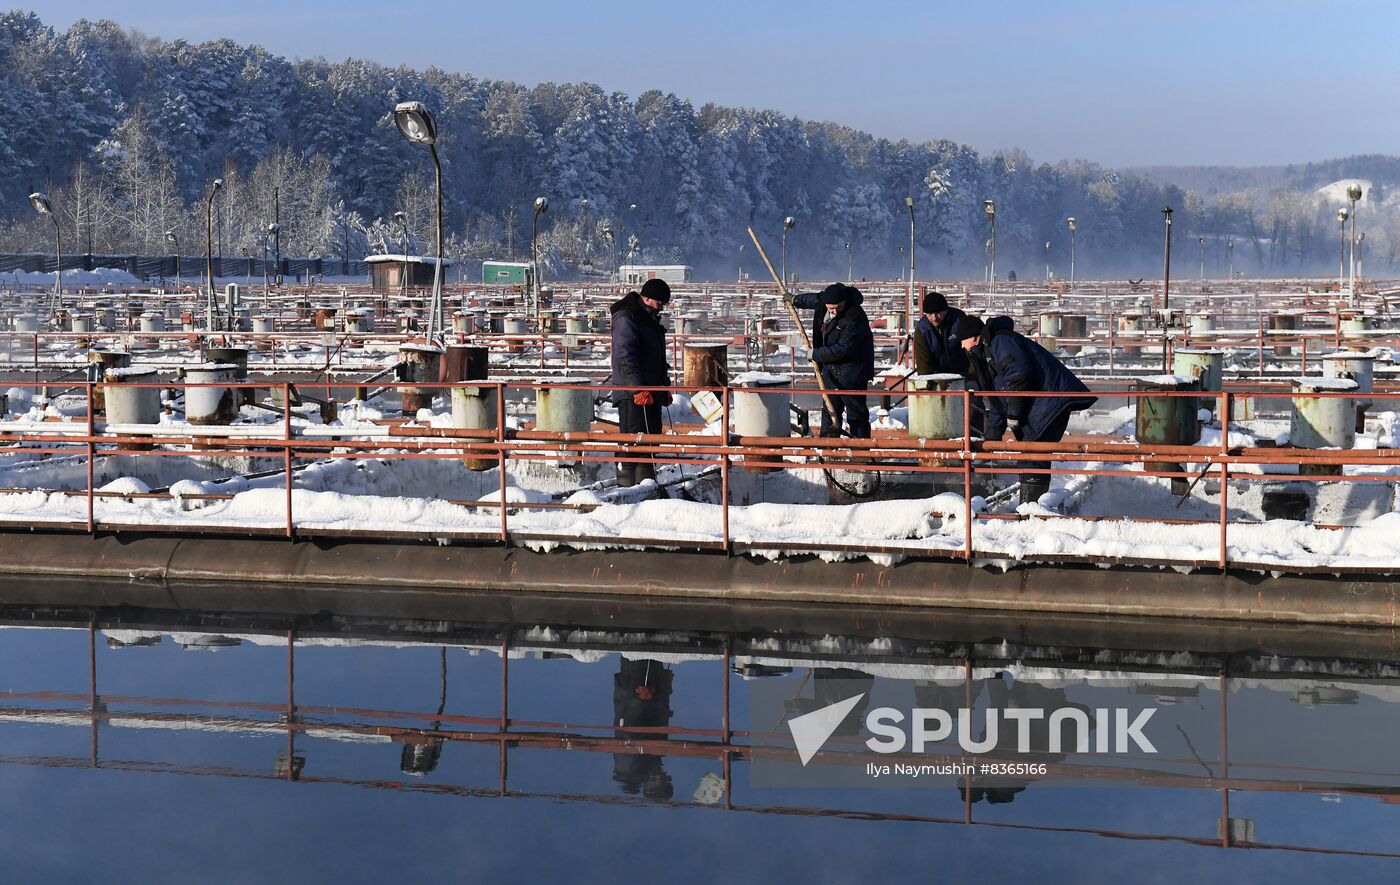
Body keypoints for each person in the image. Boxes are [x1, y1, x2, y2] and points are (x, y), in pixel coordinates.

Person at [954, 314, 1096, 504]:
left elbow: (1020, 374)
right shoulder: (987, 353)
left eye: (963, 341)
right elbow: (997, 398)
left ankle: (1032, 509)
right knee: (1031, 454)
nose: (962, 347)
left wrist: (1014, 414)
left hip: (1049, 400)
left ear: (973, 337)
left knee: (1033, 453)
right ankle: (1033, 506)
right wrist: (992, 438)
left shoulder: (1000, 342)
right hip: (1038, 403)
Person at [787, 283, 875, 438]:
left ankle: (860, 453)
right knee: (829, 413)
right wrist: (794, 299)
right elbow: (812, 299)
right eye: (830, 308)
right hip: (830, 372)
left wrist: (815, 354)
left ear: (845, 302)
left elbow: (842, 349)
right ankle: (829, 452)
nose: (834, 312)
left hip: (853, 373)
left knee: (856, 416)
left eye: (837, 308)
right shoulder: (823, 302)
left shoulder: (855, 318)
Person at [610, 278, 672, 486]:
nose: (660, 307)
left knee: (649, 442)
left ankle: (646, 488)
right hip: (632, 395)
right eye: (658, 303)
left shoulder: (648, 318)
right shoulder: (628, 317)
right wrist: (636, 389)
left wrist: (663, 387)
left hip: (650, 391)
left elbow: (655, 357)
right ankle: (629, 492)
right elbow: (625, 356)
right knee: (632, 443)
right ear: (646, 298)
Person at [912, 291, 968, 377]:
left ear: (946, 310)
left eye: (938, 313)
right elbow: (923, 363)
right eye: (930, 314)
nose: (934, 318)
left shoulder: (959, 320)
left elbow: (971, 351)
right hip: (936, 376)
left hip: (963, 374)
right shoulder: (922, 330)